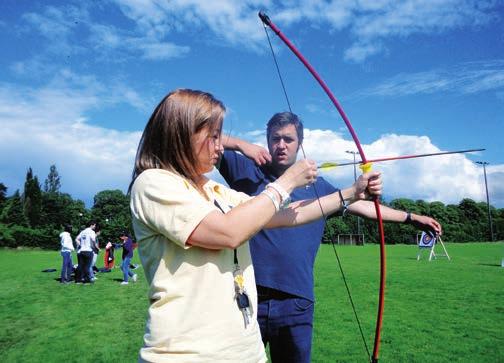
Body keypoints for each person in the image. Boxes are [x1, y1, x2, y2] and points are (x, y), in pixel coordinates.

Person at [128, 89, 382, 362]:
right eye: (213, 136)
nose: (220, 146)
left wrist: (351, 193)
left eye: (219, 136)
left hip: (243, 351)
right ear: (180, 134)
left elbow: (282, 214)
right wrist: (287, 182)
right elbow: (227, 233)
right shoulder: (155, 182)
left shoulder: (214, 190)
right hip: (189, 353)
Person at [218, 111, 443, 363]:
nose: (281, 145)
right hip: (249, 297)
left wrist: (412, 217)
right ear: (267, 140)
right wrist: (240, 144)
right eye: (275, 138)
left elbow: (362, 206)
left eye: (288, 139)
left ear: (299, 144)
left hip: (297, 302)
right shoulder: (247, 171)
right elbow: (199, 138)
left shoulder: (319, 186)